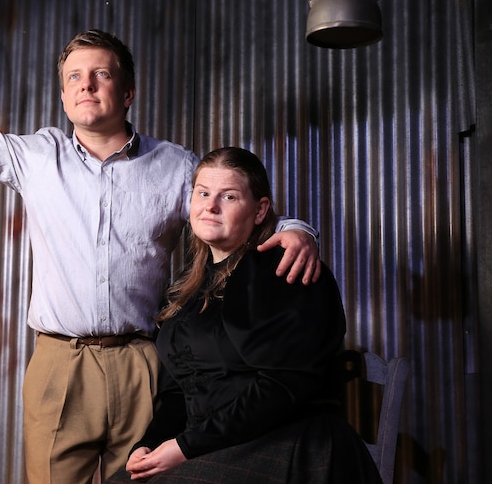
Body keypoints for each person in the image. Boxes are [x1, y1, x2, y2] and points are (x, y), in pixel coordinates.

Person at [0, 1, 323, 482]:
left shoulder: (176, 165)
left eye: (101, 74)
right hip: (61, 363)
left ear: (128, 92)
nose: (87, 85)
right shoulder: (35, 156)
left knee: (145, 480)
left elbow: (226, 209)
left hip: (143, 363)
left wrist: (299, 231)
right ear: (63, 96)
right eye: (75, 77)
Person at [106, 147, 382, 484]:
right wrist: (149, 443)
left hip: (287, 442)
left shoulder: (285, 268)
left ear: (260, 210)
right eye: (203, 193)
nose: (211, 205)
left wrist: (185, 447)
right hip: (215, 442)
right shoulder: (184, 289)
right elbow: (178, 392)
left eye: (230, 196)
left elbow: (284, 387)